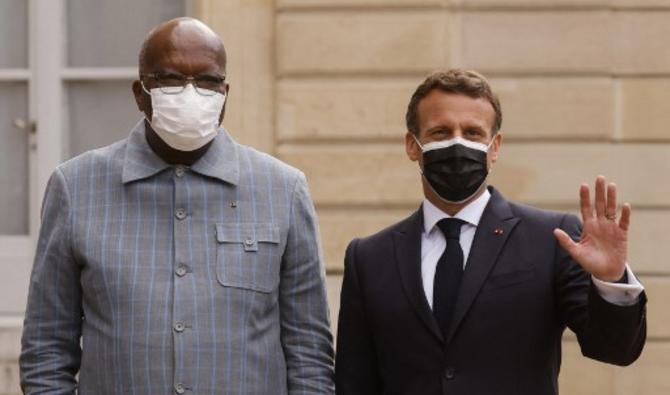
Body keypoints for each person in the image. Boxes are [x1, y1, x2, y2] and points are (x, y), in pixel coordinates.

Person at [20, 17, 334, 395]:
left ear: (225, 93)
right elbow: (46, 350)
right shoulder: (75, 188)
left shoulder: (283, 190)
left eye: (207, 81)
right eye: (170, 79)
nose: (191, 93)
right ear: (140, 93)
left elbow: (310, 355)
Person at [335, 69, 646, 395]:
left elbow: (615, 350)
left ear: (494, 147)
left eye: (472, 133)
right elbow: (354, 382)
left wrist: (611, 281)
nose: (457, 143)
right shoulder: (369, 258)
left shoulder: (552, 238)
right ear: (412, 146)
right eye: (440, 132)